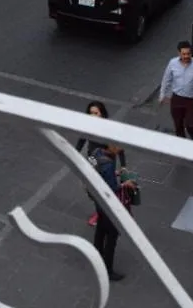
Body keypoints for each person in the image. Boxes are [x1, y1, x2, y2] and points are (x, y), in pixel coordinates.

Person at [74, 100, 133, 282]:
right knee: (112, 233)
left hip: (97, 190)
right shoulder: (106, 163)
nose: (119, 148)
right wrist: (125, 184)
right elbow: (112, 187)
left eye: (96, 113)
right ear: (110, 147)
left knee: (100, 228)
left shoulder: (98, 156)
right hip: (106, 197)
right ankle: (107, 269)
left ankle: (96, 256)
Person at [159, 40, 193, 141]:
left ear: (191, 53)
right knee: (178, 126)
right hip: (177, 99)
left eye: (188, 53)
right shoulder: (172, 63)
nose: (186, 56)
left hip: (191, 100)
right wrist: (162, 94)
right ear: (179, 53)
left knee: (190, 125)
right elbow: (166, 79)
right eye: (184, 54)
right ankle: (183, 146)